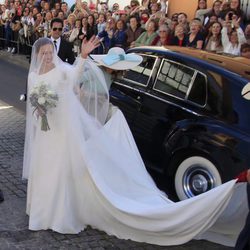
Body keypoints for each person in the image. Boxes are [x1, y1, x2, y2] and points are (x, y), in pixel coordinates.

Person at [23, 37, 248, 247]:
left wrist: (83, 56)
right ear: (37, 55)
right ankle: (42, 210)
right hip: (47, 129)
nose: (47, 56)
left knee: (62, 168)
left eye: (50, 51)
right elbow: (34, 100)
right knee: (46, 166)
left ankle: (60, 213)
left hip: (65, 129)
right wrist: (40, 109)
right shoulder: (33, 76)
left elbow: (75, 77)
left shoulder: (63, 71)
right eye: (43, 53)